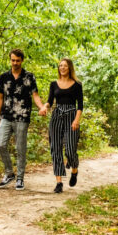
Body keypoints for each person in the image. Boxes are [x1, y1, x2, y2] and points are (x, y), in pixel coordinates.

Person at [0, 48, 45, 190]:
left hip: (22, 116)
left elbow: (35, 95)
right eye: (13, 60)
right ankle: (9, 173)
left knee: (20, 148)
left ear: (22, 60)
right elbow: (0, 97)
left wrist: (41, 107)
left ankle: (20, 178)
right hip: (6, 115)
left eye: (17, 60)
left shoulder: (29, 77)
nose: (15, 63)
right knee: (1, 144)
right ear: (10, 60)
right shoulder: (4, 77)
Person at [40, 58, 83, 194]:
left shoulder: (77, 85)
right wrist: (44, 107)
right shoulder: (54, 84)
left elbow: (80, 105)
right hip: (57, 115)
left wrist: (76, 120)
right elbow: (49, 101)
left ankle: (74, 170)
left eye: (65, 66)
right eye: (60, 66)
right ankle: (59, 182)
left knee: (70, 149)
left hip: (71, 116)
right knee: (55, 148)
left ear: (69, 68)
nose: (62, 68)